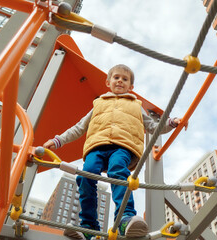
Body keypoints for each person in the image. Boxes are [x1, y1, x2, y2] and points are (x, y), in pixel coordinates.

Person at [43, 64, 187, 240]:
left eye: (125, 79)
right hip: (96, 147)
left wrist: (172, 123)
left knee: (118, 171)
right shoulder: (98, 104)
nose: (120, 81)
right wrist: (57, 141)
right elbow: (79, 128)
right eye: (116, 77)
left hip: (123, 146)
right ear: (108, 82)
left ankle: (125, 218)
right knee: (86, 175)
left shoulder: (136, 105)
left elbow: (153, 127)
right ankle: (88, 225)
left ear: (131, 87)